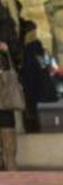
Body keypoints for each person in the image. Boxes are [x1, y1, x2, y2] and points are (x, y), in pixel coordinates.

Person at [0, 2, 20, 170]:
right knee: (6, 115)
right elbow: (16, 51)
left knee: (5, 115)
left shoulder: (6, 19)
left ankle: (9, 161)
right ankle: (9, 163)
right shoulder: (7, 18)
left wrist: (6, 47)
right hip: (4, 74)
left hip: (3, 76)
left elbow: (15, 49)